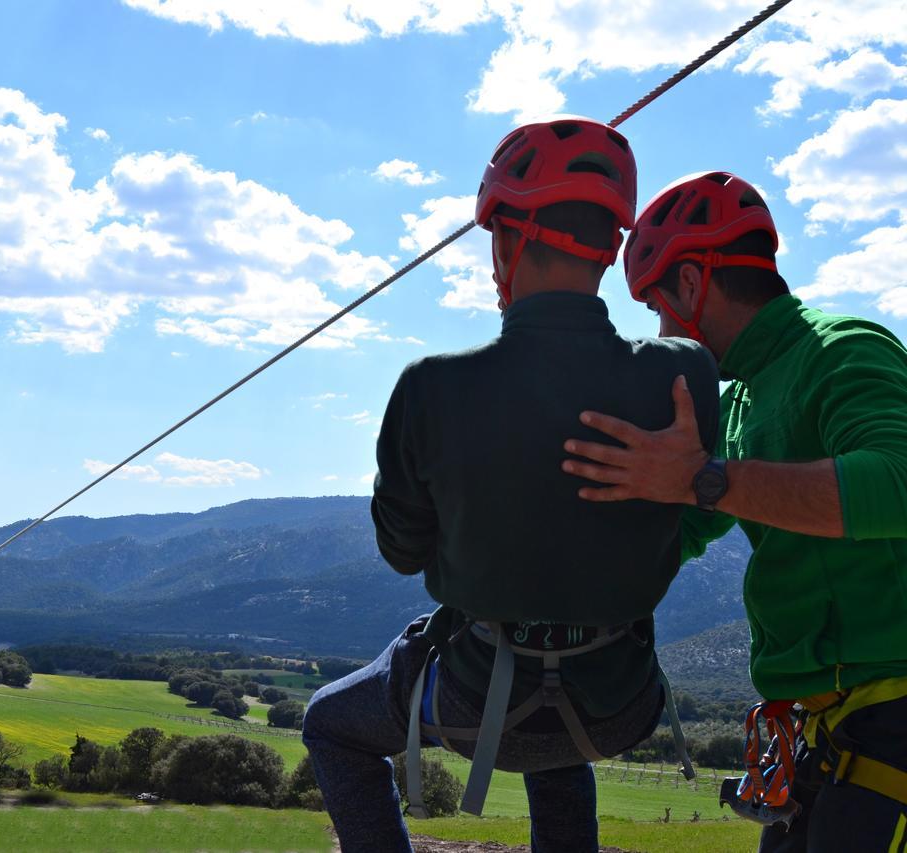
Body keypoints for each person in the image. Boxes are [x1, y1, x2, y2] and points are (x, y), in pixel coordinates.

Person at [301, 117, 721, 853]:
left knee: (330, 721)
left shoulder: (432, 388)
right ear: (613, 247)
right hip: (619, 701)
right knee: (557, 738)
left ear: (505, 242)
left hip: (472, 694)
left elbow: (402, 551)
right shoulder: (683, 372)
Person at [561, 170, 907, 851]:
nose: (661, 331)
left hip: (890, 715)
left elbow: (897, 479)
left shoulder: (843, 350)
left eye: (659, 307)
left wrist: (702, 477)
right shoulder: (741, 399)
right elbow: (684, 519)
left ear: (692, 284)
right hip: (817, 733)